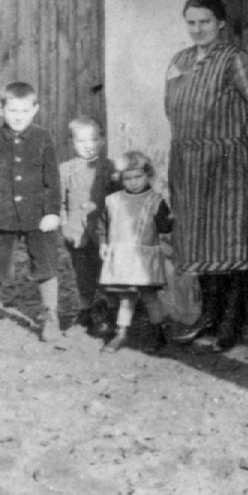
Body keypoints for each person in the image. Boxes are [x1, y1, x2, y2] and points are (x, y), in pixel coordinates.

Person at [166, 0, 248, 349]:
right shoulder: (180, 60)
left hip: (229, 167)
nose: (197, 29)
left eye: (205, 22)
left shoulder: (236, 60)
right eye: (191, 22)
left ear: (221, 24)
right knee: (199, 239)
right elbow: (172, 108)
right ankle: (207, 317)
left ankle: (230, 322)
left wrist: (231, 139)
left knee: (230, 240)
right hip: (189, 164)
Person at [0, 81, 62, 342]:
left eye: (24, 111)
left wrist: (52, 212)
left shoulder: (43, 139)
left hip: (38, 216)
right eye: (12, 111)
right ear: (0, 109)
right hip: (2, 216)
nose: (18, 117)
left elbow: (53, 180)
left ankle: (51, 315)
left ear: (35, 109)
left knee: (46, 265)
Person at [98, 151, 175, 353]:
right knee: (126, 296)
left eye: (138, 177)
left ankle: (158, 333)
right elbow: (104, 225)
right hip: (122, 257)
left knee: (149, 296)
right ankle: (121, 333)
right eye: (128, 178)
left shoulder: (155, 200)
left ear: (147, 175)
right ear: (121, 179)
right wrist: (103, 243)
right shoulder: (113, 200)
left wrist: (170, 222)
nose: (133, 182)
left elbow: (165, 228)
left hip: (143, 258)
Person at [58, 116, 115, 334]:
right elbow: (60, 202)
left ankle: (108, 315)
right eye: (81, 141)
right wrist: (65, 225)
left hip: (102, 235)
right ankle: (84, 314)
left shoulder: (109, 169)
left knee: (105, 274)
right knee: (83, 274)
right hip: (76, 234)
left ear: (102, 140)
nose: (88, 146)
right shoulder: (65, 169)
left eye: (93, 139)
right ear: (72, 142)